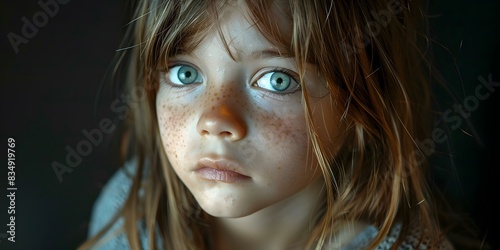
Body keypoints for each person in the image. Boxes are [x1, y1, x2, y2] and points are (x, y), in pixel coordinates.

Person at [79, 0, 486, 249]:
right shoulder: (128, 213)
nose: (215, 120)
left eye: (277, 80)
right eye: (185, 74)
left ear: (361, 108)